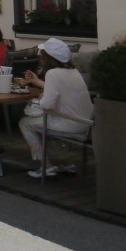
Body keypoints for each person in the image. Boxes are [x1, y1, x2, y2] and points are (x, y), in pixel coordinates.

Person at [19, 37, 92, 178]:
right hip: (85, 123)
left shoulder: (52, 73)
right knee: (42, 126)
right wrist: (36, 81)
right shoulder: (73, 71)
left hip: (69, 123)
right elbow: (59, 89)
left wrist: (40, 99)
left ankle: (45, 166)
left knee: (25, 123)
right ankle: (65, 162)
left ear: (48, 57)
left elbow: (47, 105)